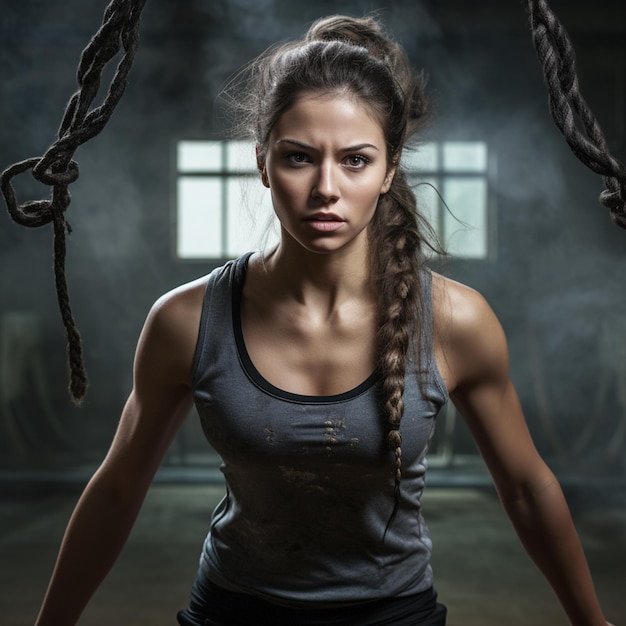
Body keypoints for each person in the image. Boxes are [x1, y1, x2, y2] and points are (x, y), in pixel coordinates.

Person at [34, 14, 613, 626]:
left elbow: (526, 489)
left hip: (394, 615)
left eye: (356, 161)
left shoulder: (453, 320)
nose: (326, 188)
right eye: (299, 157)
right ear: (263, 164)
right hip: (233, 612)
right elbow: (118, 488)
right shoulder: (187, 320)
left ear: (390, 169)